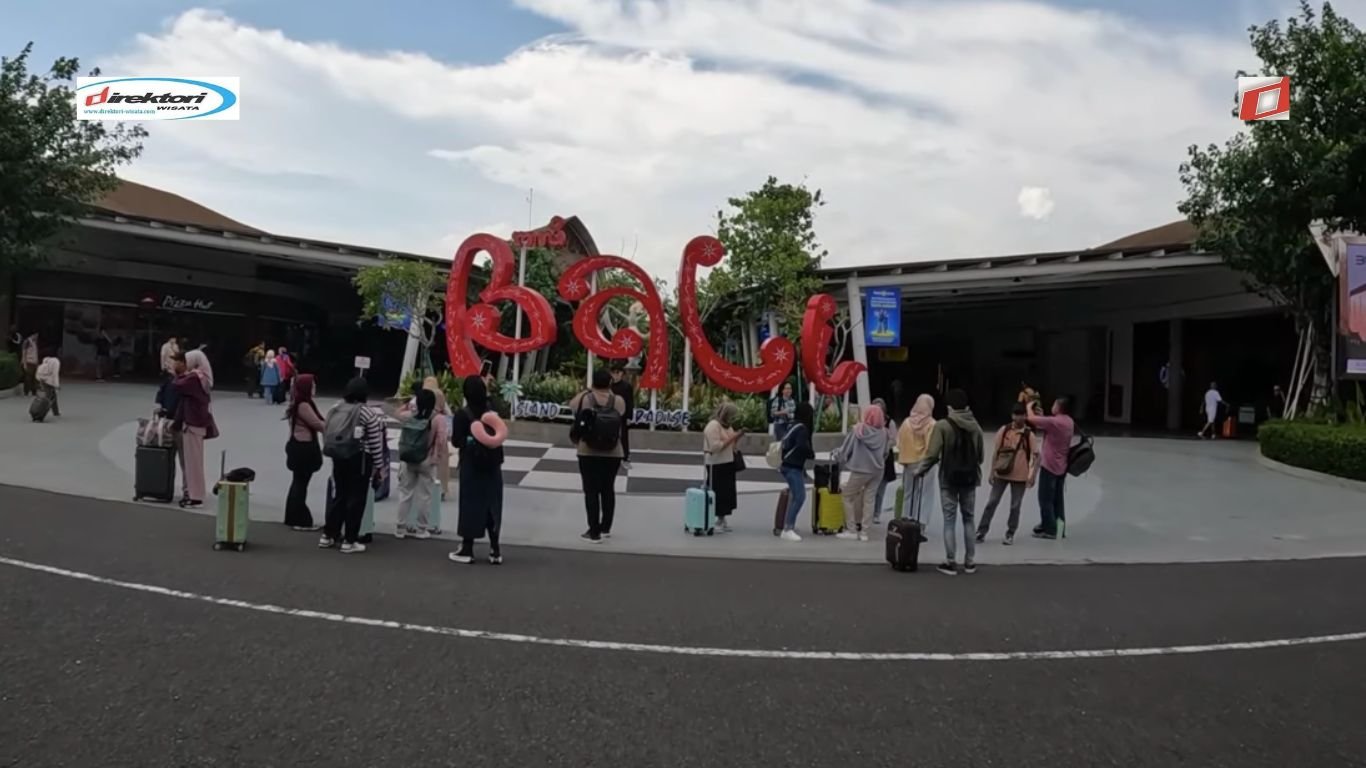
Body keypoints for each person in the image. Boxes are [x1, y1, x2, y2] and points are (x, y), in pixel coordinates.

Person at [915, 388, 984, 576]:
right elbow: (981, 456)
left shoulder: (943, 426)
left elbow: (932, 455)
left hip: (949, 479)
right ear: (967, 406)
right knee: (969, 519)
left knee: (949, 521)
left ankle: (951, 562)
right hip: (970, 479)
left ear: (949, 406)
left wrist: (920, 471)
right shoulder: (975, 426)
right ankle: (970, 562)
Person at [319, 378, 386, 554]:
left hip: (338, 457)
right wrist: (380, 467)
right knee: (356, 499)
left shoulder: (335, 408)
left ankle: (328, 535)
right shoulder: (367, 413)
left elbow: (327, 431)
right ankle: (349, 540)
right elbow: (375, 443)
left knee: (339, 495)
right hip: (360, 459)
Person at [449, 375, 508, 564]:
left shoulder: (462, 414)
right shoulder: (493, 412)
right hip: (493, 465)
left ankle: (467, 548)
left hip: (471, 465)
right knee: (493, 504)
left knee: (470, 504)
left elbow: (457, 442)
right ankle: (495, 550)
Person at [571, 369, 628, 542]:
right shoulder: (618, 400)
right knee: (607, 488)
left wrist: (588, 391)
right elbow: (623, 413)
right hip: (613, 451)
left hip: (588, 450)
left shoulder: (585, 399)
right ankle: (606, 527)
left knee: (591, 491)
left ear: (593, 382)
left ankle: (593, 531)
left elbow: (573, 406)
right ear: (610, 383)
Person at [976, 403, 1038, 545]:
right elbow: (996, 452)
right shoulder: (1004, 431)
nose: (1019, 417)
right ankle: (981, 531)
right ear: (1012, 415)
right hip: (1001, 473)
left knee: (1015, 506)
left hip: (1020, 476)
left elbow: (1035, 457)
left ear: (1025, 416)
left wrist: (1032, 476)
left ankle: (1010, 533)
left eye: (1021, 414)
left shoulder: (1029, 435)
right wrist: (992, 472)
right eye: (1016, 414)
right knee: (992, 502)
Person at [835, 404, 889, 541]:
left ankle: (852, 530)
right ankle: (865, 532)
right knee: (869, 499)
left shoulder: (858, 430)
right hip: (878, 470)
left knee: (847, 496)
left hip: (860, 470)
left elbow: (846, 450)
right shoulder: (884, 433)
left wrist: (838, 456)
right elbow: (885, 453)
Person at [173, 350, 217, 509]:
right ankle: (194, 494)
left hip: (192, 424)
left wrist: (177, 373)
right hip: (197, 423)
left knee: (192, 464)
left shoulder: (194, 377)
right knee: (194, 463)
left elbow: (177, 385)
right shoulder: (203, 377)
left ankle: (195, 497)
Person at [1027, 395, 1075, 540]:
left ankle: (1050, 530)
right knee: (1058, 501)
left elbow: (1032, 420)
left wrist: (1029, 407)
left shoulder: (1055, 422)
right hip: (1062, 466)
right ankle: (1060, 529)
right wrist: (1043, 416)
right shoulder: (1068, 421)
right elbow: (1047, 424)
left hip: (1050, 466)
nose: (1052, 405)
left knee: (1045, 499)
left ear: (1059, 407)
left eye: (1054, 404)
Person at [284, 374, 325, 531]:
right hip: (303, 447)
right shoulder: (303, 405)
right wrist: (337, 428)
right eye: (312, 385)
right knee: (301, 484)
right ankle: (299, 519)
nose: (315, 388)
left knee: (298, 482)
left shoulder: (300, 403)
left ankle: (292, 517)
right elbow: (317, 424)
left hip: (297, 446)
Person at [897, 394, 937, 541]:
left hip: (909, 463)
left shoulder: (906, 423)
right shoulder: (931, 424)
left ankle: (906, 520)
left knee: (909, 493)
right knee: (925, 494)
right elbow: (932, 446)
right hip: (925, 464)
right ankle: (921, 525)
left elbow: (900, 442)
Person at [702, 401, 744, 534]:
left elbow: (731, 441)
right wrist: (734, 438)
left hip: (728, 462)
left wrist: (738, 437)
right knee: (718, 491)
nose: (732, 418)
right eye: (731, 415)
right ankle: (715, 518)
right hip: (716, 464)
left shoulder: (727, 426)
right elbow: (716, 447)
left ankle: (722, 518)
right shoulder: (713, 426)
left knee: (727, 492)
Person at [777, 402, 816, 542]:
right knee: (799, 496)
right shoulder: (803, 429)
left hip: (786, 464)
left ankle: (788, 524)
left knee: (794, 495)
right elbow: (801, 447)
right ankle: (788, 528)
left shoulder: (793, 425)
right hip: (793, 465)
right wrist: (810, 453)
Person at [156, 353, 190, 503]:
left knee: (185, 461)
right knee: (166, 458)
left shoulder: (187, 381)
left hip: (181, 425)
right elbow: (160, 394)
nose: (172, 365)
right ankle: (163, 488)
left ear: (183, 363)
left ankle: (188, 491)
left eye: (175, 361)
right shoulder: (169, 380)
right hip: (167, 423)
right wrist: (159, 406)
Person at [870, 396, 898, 525]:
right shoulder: (868, 422)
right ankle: (868, 512)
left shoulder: (889, 422)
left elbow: (894, 439)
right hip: (870, 457)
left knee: (880, 490)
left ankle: (876, 513)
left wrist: (884, 447)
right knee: (870, 489)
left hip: (884, 459)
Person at [610, 365, 636, 469]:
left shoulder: (626, 386)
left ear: (622, 374)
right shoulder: (609, 386)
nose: (616, 375)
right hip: (610, 414)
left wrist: (629, 416)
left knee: (623, 436)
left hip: (623, 415)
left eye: (618, 373)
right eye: (614, 373)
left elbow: (630, 402)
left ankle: (626, 458)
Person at [35, 350, 61, 417]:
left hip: (42, 381)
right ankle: (40, 412)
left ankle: (56, 412)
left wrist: (41, 380)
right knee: (48, 398)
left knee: (51, 396)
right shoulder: (56, 362)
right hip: (50, 383)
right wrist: (57, 385)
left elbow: (37, 375)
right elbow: (55, 375)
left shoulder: (43, 364)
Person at [20, 332, 39, 396]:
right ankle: (26, 391)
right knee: (28, 378)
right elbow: (24, 353)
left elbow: (35, 353)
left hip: (34, 362)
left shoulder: (34, 342)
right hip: (28, 362)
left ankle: (34, 391)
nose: (37, 336)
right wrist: (24, 363)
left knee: (35, 378)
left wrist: (37, 363)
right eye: (36, 335)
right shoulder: (27, 342)